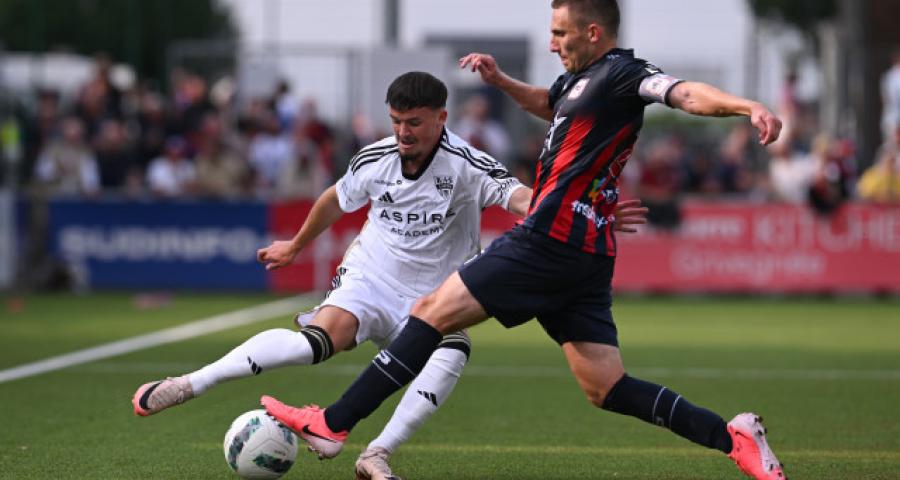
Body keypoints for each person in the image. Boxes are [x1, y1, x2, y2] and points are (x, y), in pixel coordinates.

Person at [259, 2, 787, 480]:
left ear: (593, 32)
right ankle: (734, 439)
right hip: (585, 253)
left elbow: (684, 93)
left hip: (547, 239)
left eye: (560, 33)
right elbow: (550, 104)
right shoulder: (579, 82)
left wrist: (747, 106)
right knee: (606, 386)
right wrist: (500, 80)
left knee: (430, 311)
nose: (552, 43)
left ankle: (333, 423)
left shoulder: (623, 74)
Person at [130, 70, 649, 480]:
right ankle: (189, 384)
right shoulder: (375, 158)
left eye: (414, 122)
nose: (403, 132)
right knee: (316, 342)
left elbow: (522, 199)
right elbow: (334, 199)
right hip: (371, 277)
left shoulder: (467, 163)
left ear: (441, 118)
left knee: (452, 353)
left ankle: (376, 454)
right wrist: (296, 246)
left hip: (435, 296)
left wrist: (588, 213)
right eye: (397, 121)